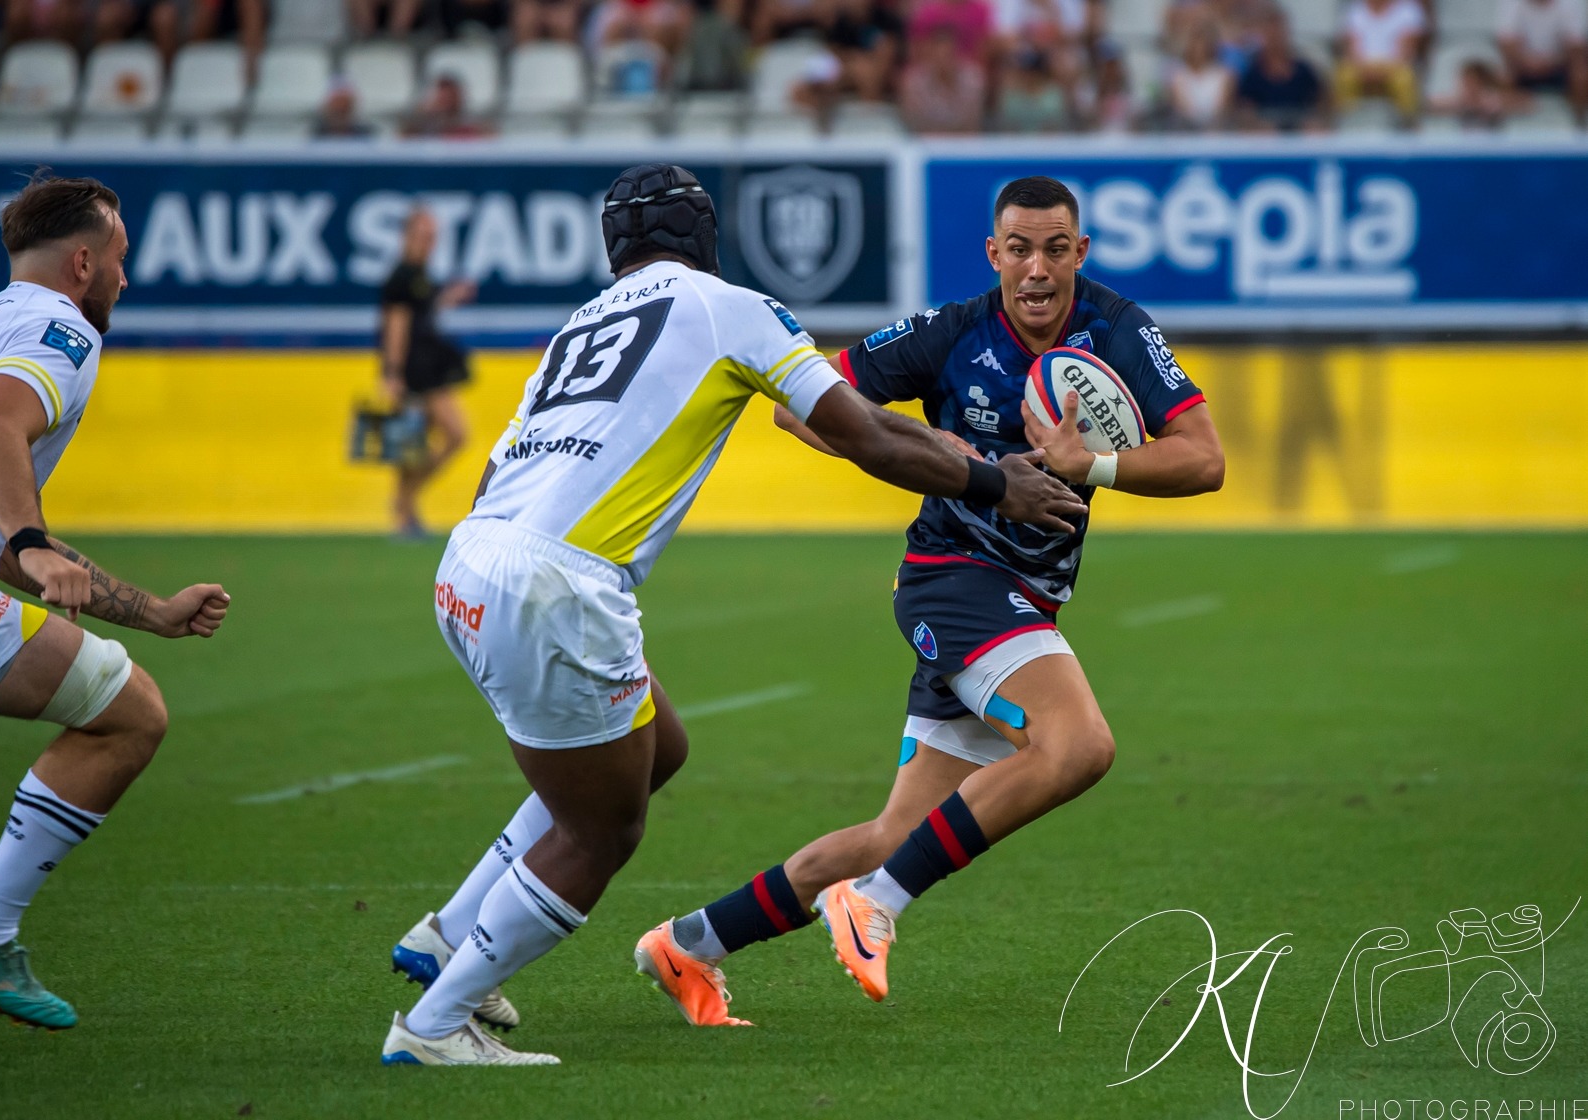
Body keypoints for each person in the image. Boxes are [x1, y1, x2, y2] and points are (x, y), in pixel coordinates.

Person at [377, 163, 1087, 1066]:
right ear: (703, 236)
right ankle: (438, 1021)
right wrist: (994, 481)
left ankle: (447, 933)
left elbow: (498, 467)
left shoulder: (582, 324)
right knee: (604, 828)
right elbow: (861, 431)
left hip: (471, 558)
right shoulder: (726, 305)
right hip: (558, 581)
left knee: (655, 748)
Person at [635, 175, 1225, 1026]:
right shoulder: (951, 333)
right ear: (994, 254)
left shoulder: (1119, 331)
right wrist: (939, 443)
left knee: (893, 832)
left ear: (1080, 253)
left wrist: (1085, 464)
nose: (1036, 269)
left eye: (1056, 249)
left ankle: (689, 943)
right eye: (1018, 249)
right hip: (954, 584)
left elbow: (1203, 459)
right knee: (1078, 746)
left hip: (1027, 601)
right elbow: (800, 413)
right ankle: (875, 902)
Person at [0, 174, 231, 1030]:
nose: (127, 277)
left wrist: (154, 611)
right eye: (121, 258)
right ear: (83, 261)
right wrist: (28, 542)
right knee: (131, 715)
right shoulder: (60, 329)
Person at [378, 209, 475, 538]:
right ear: (407, 235)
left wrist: (448, 297)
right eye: (424, 235)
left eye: (433, 237)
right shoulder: (402, 277)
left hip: (428, 367)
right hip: (416, 372)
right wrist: (392, 373)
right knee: (452, 434)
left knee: (415, 446)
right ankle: (404, 503)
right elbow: (396, 326)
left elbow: (423, 311)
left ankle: (405, 506)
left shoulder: (418, 274)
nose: (429, 243)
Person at [1335, 0, 1427, 126]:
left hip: (1395, 66)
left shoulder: (1408, 9)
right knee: (1345, 75)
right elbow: (1352, 50)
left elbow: (1407, 52)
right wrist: (1366, 70)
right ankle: (1345, 123)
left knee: (1404, 79)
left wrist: (1384, 72)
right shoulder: (1356, 9)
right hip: (1362, 66)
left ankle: (1409, 124)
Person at [1496, 0, 1588, 125]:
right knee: (1504, 75)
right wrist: (1528, 61)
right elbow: (1507, 43)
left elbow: (1576, 45)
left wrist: (1551, 61)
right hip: (1523, 67)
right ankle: (1505, 127)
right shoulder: (1511, 3)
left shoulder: (1570, 3)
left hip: (1560, 66)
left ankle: (1580, 125)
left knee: (1581, 74)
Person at [1235, 10, 1328, 133]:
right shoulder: (1252, 74)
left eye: (1278, 29)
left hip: (1301, 134)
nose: (1275, 35)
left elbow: (1322, 106)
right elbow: (1245, 112)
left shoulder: (1304, 71)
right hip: (1266, 137)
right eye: (1269, 30)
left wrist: (1313, 122)